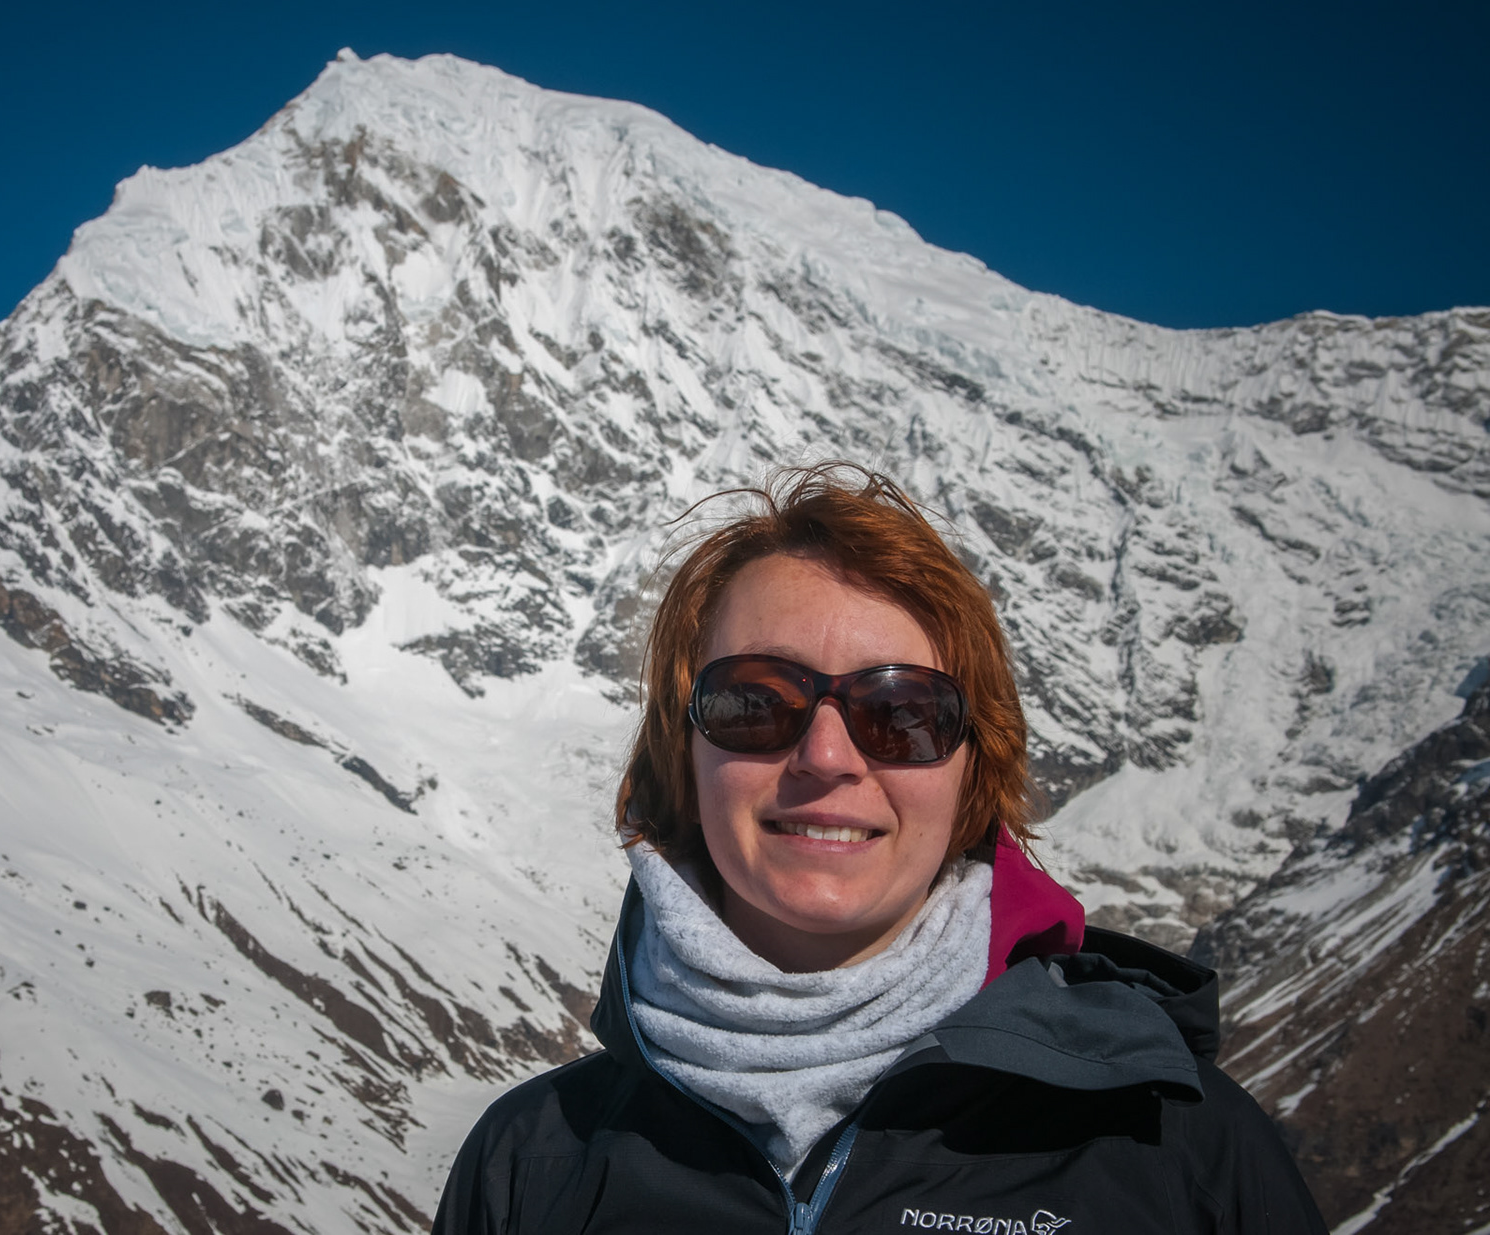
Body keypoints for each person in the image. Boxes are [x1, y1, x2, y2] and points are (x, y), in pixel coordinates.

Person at [433, 464, 1325, 1235]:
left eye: (902, 714)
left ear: (976, 771)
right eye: (756, 701)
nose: (826, 757)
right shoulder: (532, 1162)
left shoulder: (1175, 1149)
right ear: (684, 752)